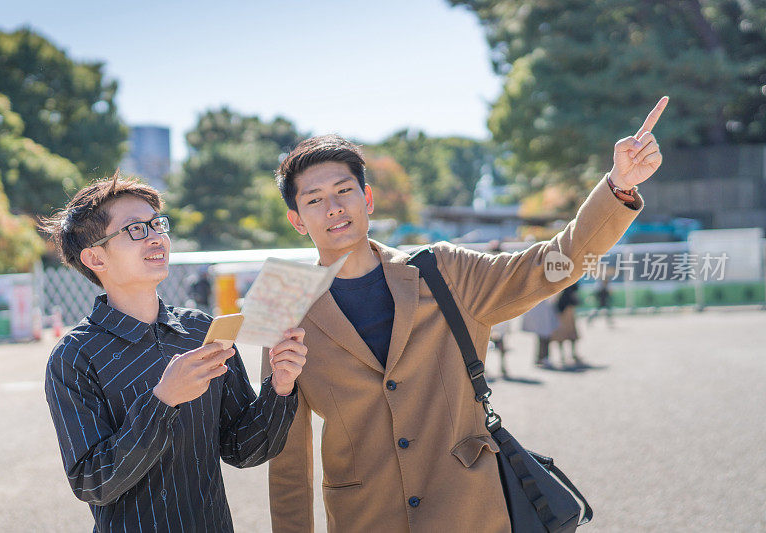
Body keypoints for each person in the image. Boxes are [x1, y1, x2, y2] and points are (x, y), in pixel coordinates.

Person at [264, 97, 667, 532]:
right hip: (365, 517)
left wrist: (618, 188)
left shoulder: (444, 271)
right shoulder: (283, 302)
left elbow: (555, 264)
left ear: (368, 198)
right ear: (297, 220)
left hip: (469, 509)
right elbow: (286, 450)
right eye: (315, 199)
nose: (334, 208)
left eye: (344, 191)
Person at [41, 175, 306, 532]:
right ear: (94, 258)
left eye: (157, 224)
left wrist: (281, 386)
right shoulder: (74, 357)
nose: (156, 237)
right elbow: (93, 482)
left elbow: (243, 449)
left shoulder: (201, 330)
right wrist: (163, 401)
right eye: (135, 229)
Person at [521, 296, 559, 368]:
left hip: (542, 312)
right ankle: (543, 357)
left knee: (542, 337)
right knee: (544, 337)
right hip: (543, 312)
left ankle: (541, 357)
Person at [551, 281, 584, 366]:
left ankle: (564, 355)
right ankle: (571, 354)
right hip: (567, 308)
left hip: (561, 308)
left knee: (564, 333)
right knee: (569, 333)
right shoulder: (571, 277)